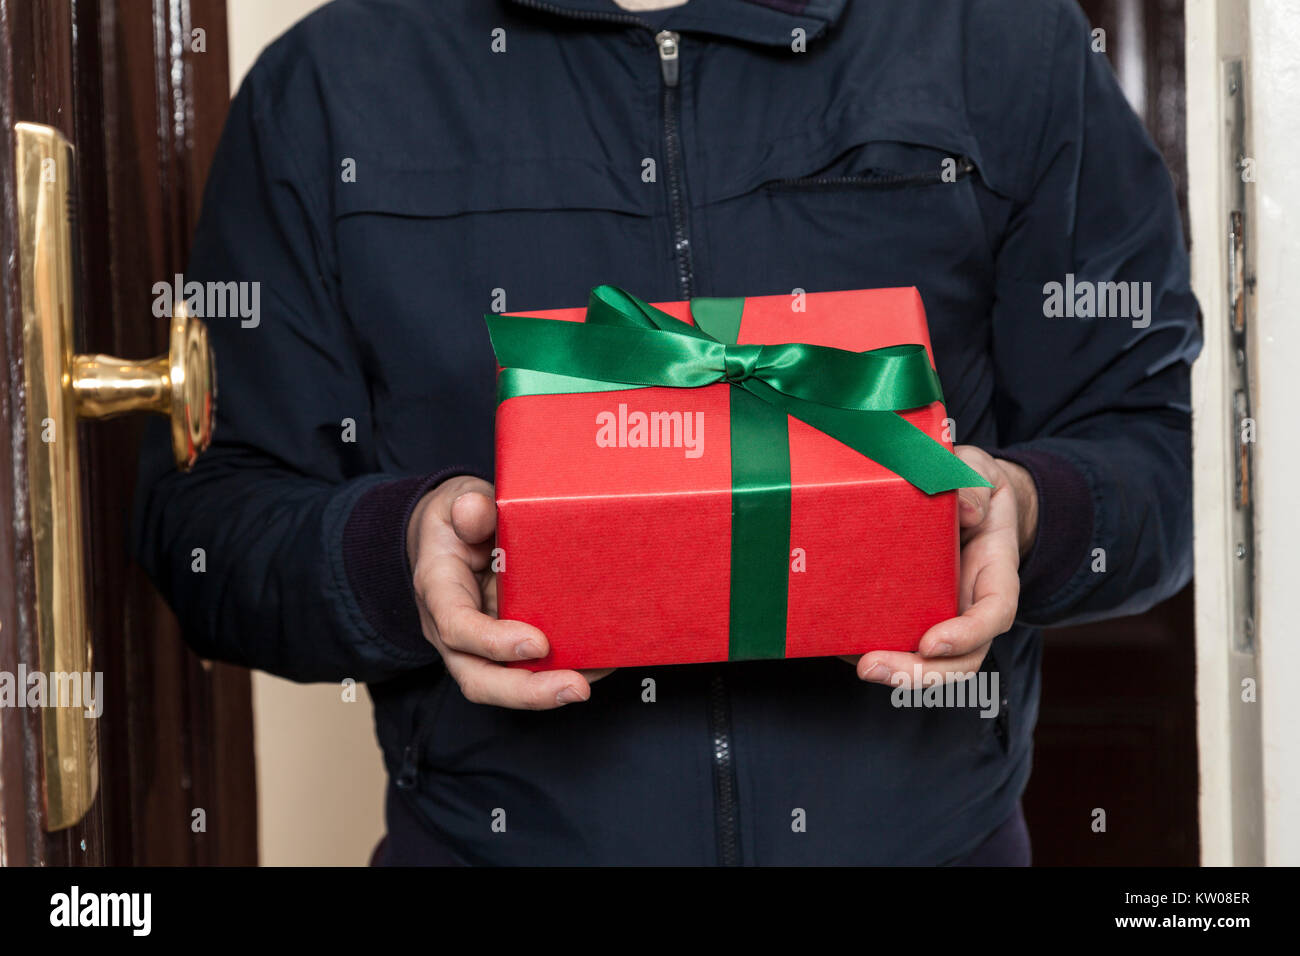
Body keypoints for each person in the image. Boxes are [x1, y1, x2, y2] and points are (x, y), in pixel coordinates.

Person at [133, 0, 1201, 865]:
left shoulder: (999, 38)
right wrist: (395, 554)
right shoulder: (328, 86)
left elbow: (1154, 463)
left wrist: (1026, 510)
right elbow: (209, 524)